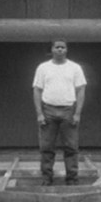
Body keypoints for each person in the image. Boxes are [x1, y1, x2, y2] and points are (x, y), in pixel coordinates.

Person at [32, 40, 87, 185]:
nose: (60, 49)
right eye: (57, 47)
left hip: (68, 111)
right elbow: (37, 90)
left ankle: (72, 178)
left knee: (71, 147)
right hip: (48, 111)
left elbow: (81, 90)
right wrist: (39, 113)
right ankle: (46, 178)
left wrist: (77, 113)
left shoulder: (75, 68)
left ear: (67, 50)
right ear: (52, 49)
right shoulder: (43, 68)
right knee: (46, 148)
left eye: (63, 47)